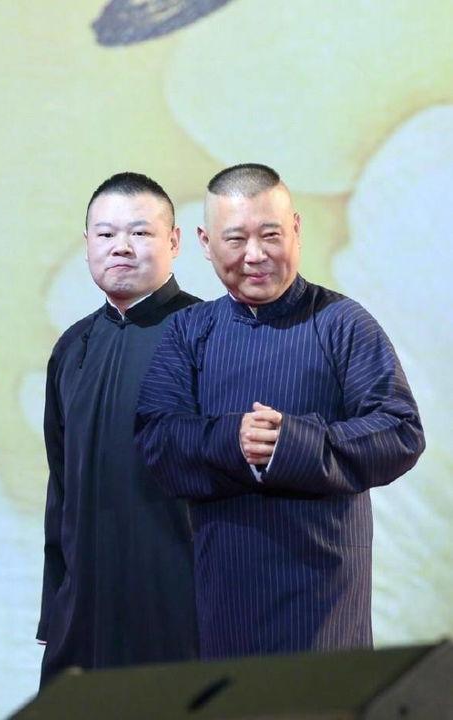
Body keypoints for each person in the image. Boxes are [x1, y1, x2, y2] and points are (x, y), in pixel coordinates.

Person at [135, 163, 425, 660]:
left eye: (270, 235)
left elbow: (400, 431)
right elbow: (157, 440)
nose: (255, 255)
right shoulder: (188, 332)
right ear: (205, 242)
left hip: (326, 596)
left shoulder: (342, 323)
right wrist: (232, 440)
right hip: (223, 591)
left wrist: (293, 443)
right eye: (235, 239)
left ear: (296, 229)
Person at [37, 172, 200, 686]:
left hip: (182, 611)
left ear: (174, 240)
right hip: (82, 617)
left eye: (140, 232)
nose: (121, 247)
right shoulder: (72, 348)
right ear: (87, 243)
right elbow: (61, 490)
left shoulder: (209, 334)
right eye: (106, 234)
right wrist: (54, 610)